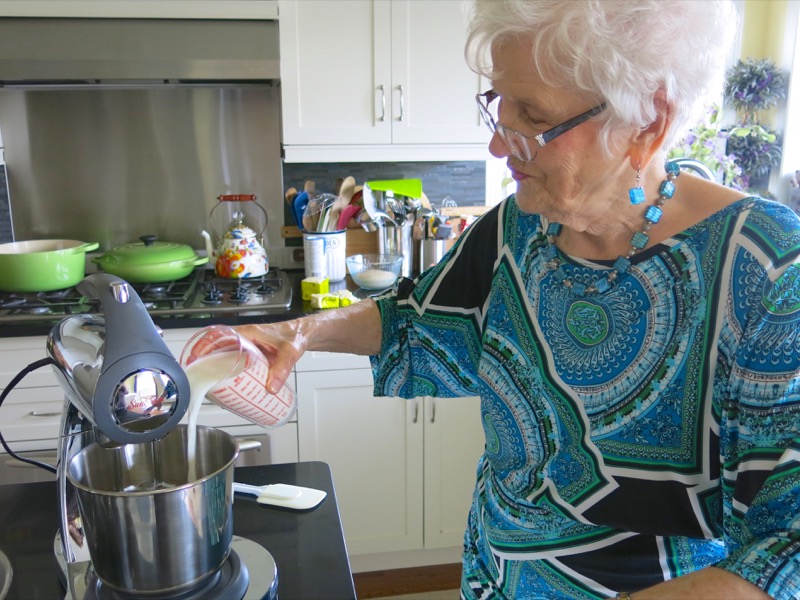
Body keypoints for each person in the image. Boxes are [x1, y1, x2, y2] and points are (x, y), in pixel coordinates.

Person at [238, 1, 800, 597]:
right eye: (498, 104)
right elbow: (420, 321)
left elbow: (786, 550)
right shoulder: (519, 227)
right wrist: (300, 333)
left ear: (650, 121)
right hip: (492, 580)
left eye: (531, 115)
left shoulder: (767, 270)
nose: (498, 148)